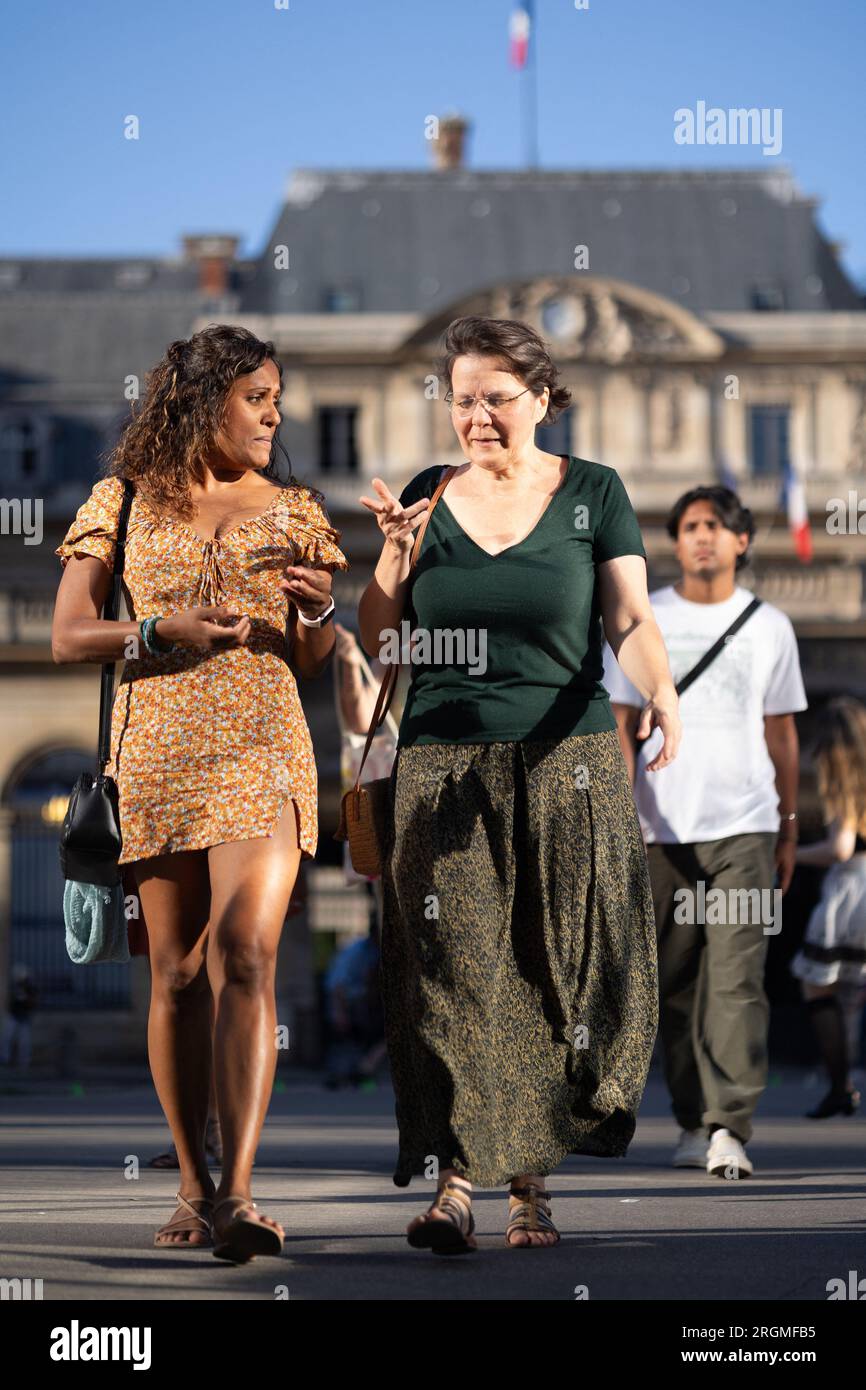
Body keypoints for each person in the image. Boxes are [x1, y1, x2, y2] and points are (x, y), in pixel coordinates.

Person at [358, 314, 681, 1253]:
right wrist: (391, 558)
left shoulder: (594, 494)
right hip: (443, 765)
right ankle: (458, 1183)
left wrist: (659, 690)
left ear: (542, 398)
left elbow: (627, 617)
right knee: (457, 970)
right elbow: (384, 642)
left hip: (566, 762)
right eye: (461, 401)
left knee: (552, 972)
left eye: (495, 399)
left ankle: (530, 1185)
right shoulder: (424, 497)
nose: (476, 418)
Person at [52, 324, 347, 1261]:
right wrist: (160, 630)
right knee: (177, 975)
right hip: (158, 752)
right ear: (203, 399)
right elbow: (68, 635)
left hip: (262, 745)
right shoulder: (126, 500)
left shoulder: (296, 506)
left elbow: (311, 657)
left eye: (276, 398)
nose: (274, 414)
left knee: (249, 957)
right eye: (257, 397)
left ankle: (242, 1196)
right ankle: (191, 1179)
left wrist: (317, 614)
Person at [604, 485, 808, 1180]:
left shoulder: (769, 625)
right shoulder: (645, 617)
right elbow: (621, 720)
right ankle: (692, 1119)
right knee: (678, 979)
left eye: (715, 526)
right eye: (689, 527)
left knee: (738, 978)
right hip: (660, 826)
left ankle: (730, 1126)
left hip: (744, 824)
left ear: (742, 541)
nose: (701, 538)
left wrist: (786, 824)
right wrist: (622, 813)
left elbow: (780, 730)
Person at [790, 696, 866, 1117]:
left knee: (818, 986)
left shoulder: (841, 773)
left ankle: (840, 1085)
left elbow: (840, 848)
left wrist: (792, 854)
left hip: (853, 890)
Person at [1, 965, 38, 1068]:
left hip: (24, 1018)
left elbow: (33, 1002)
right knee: (6, 1038)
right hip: (13, 1016)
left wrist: (27, 999)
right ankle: (5, 1059)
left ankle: (24, 1062)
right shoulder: (14, 986)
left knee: (24, 1042)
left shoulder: (30, 988)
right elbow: (10, 1001)